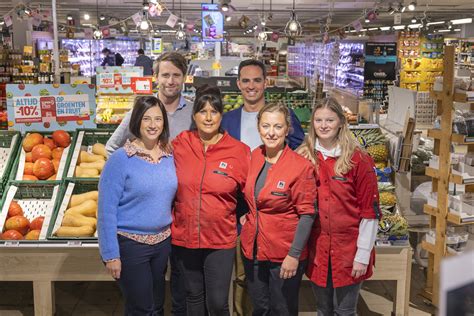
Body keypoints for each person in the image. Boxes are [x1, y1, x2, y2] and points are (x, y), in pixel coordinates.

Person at [105, 51, 190, 316]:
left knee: (159, 300)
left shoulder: (190, 116)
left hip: (168, 232)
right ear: (156, 77)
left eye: (176, 75)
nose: (171, 80)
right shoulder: (123, 155)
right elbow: (106, 208)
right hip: (133, 238)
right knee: (141, 305)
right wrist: (130, 170)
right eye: (165, 74)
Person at [220, 59, 305, 316]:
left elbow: (301, 151)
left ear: (265, 83)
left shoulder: (282, 117)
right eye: (245, 80)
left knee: (276, 292)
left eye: (257, 80)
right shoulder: (228, 120)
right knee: (244, 278)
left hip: (274, 212)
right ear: (238, 84)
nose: (251, 86)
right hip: (237, 212)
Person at [171, 84, 250, 315]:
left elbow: (252, 191)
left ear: (221, 116)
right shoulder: (180, 144)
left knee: (217, 302)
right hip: (185, 237)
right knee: (193, 297)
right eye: (202, 111)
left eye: (213, 111)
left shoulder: (238, 151)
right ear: (194, 115)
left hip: (220, 239)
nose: (208, 117)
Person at [301, 97, 380, 316]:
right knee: (323, 309)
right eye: (318, 120)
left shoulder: (358, 160)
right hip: (318, 250)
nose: (323, 125)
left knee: (345, 311)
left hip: (349, 250)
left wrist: (362, 255)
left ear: (341, 123)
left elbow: (369, 212)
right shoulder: (305, 157)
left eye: (330, 120)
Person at [98, 96, 176, 315]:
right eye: (146, 119)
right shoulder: (121, 159)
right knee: (141, 308)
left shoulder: (169, 156)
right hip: (131, 245)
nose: (153, 125)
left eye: (158, 119)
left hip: (162, 243)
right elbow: (105, 211)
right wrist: (110, 254)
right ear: (136, 122)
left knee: (158, 305)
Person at [239, 102, 317, 316]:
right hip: (253, 251)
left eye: (277, 127)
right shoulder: (253, 157)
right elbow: (249, 194)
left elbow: (307, 214)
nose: (271, 133)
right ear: (258, 127)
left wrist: (293, 255)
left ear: (287, 129)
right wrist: (245, 215)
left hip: (283, 254)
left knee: (283, 309)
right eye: (265, 126)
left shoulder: (300, 167)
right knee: (260, 307)